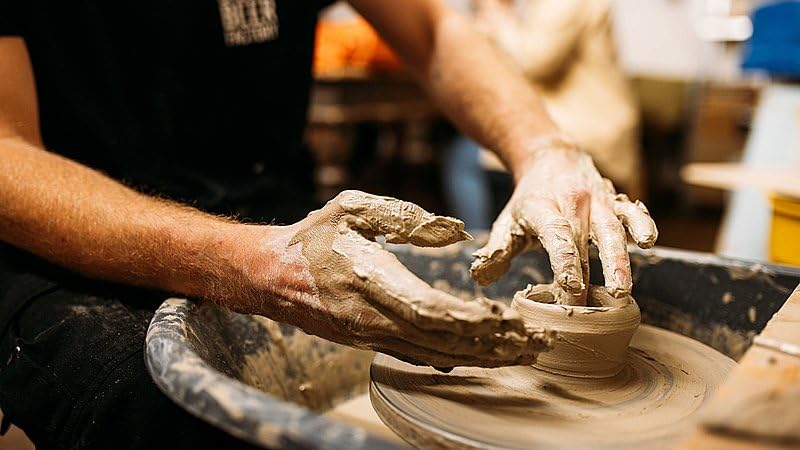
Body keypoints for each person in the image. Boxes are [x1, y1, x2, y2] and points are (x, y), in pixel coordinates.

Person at [0, 0, 657, 448]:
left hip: (277, 212)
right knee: (167, 411)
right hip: (75, 245)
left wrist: (542, 146)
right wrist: (259, 266)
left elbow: (432, 31)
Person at [442, 0, 643, 229]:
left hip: (589, 129)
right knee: (471, 150)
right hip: (567, 121)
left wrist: (499, 19)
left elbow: (534, 62)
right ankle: (497, 242)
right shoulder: (541, 7)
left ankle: (480, 247)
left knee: (466, 159)